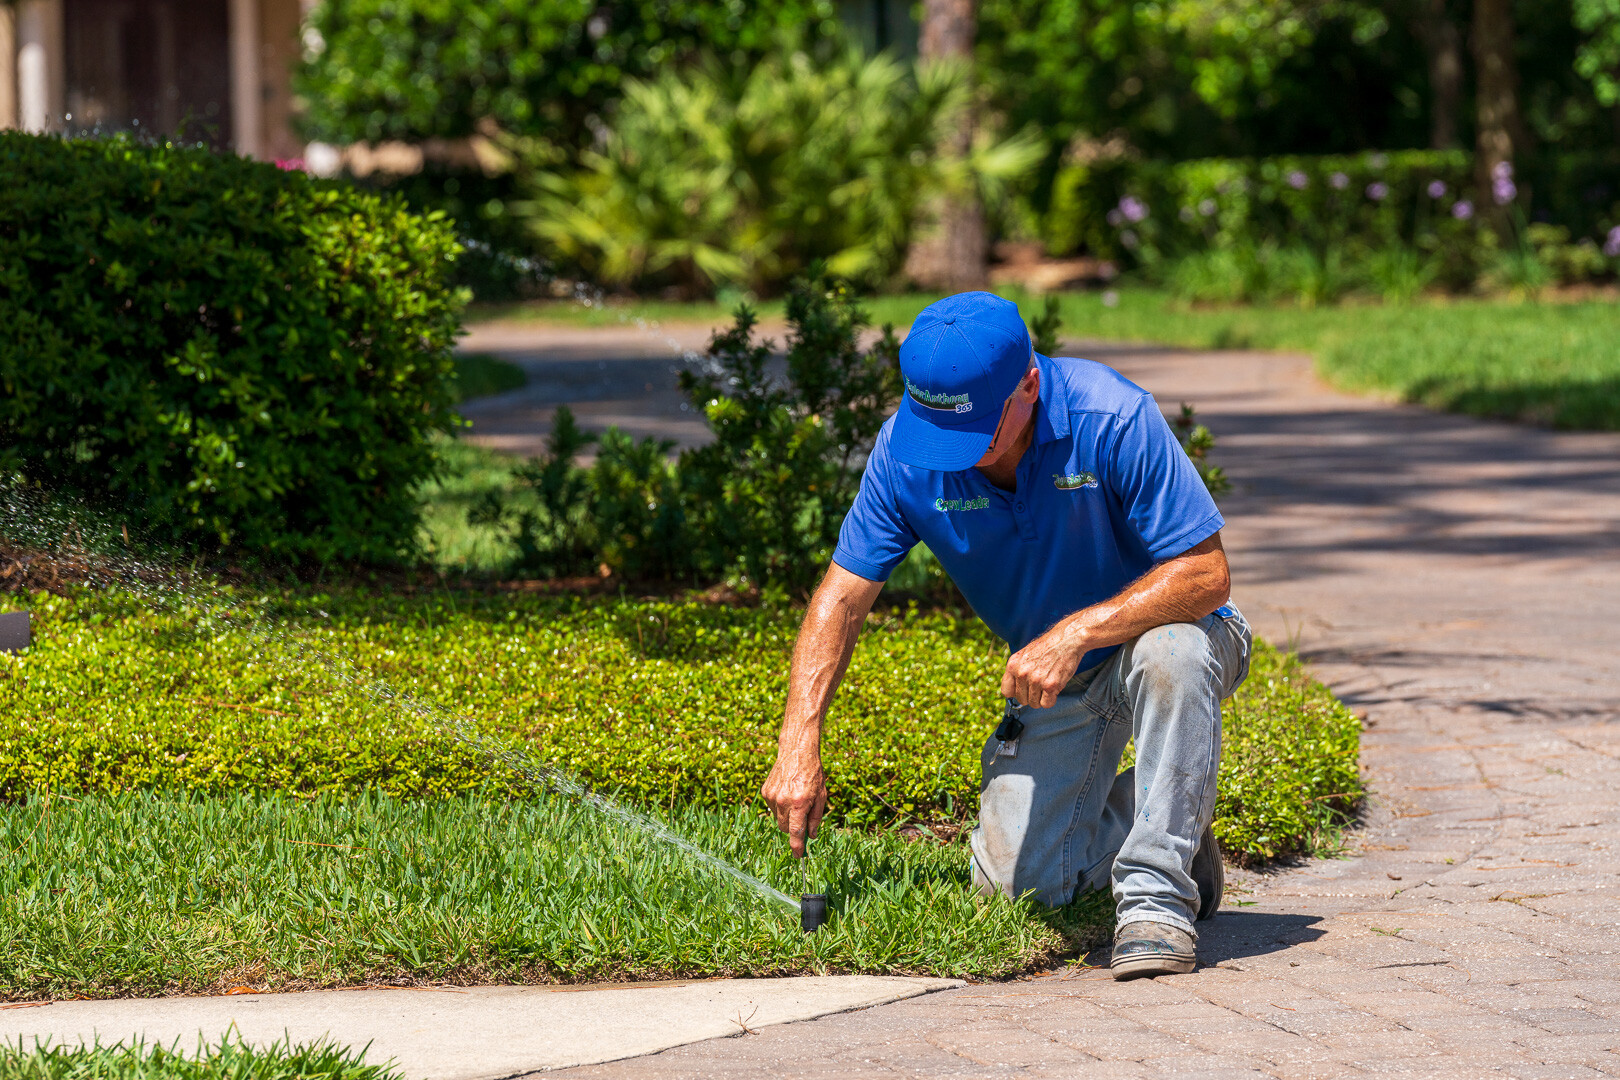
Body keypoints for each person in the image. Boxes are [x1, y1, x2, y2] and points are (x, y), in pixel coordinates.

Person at [761, 291, 1251, 980]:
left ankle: (1158, 901)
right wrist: (798, 739)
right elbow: (841, 597)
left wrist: (1077, 632)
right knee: (1016, 890)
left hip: (1172, 636)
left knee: (1173, 652)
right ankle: (1175, 815)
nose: (953, 456)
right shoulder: (905, 452)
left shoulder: (1111, 415)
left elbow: (1207, 575)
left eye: (976, 432)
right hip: (1065, 682)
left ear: (1030, 384)